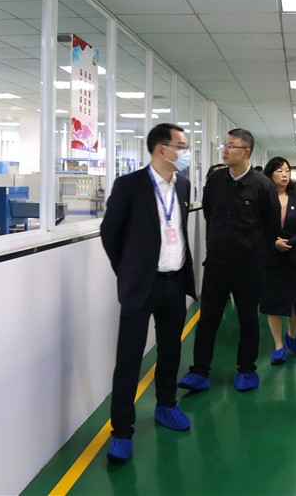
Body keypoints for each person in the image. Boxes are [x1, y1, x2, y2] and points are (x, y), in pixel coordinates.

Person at [100, 122, 197, 461]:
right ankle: (121, 430)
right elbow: (110, 233)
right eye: (181, 147)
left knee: (171, 349)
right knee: (129, 359)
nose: (185, 153)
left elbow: (177, 230)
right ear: (161, 149)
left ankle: (166, 404)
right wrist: (128, 272)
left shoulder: (183, 185)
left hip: (175, 282)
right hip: (142, 285)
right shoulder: (129, 185)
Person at [179, 128, 279, 393]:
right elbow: (209, 213)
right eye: (225, 144)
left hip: (249, 265)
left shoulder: (262, 185)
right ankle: (199, 370)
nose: (225, 149)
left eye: (231, 145)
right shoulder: (216, 180)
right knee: (208, 318)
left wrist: (252, 248)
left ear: (246, 152)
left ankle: (246, 369)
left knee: (248, 318)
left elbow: (271, 227)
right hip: (217, 263)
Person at [260, 157, 296, 365]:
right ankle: (278, 345)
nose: (284, 174)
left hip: (294, 256)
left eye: (287, 170)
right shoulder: (263, 199)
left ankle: (291, 335)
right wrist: (274, 242)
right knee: (272, 302)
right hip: (271, 257)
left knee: (295, 301)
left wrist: (289, 242)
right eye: (279, 170)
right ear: (270, 174)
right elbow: (256, 227)